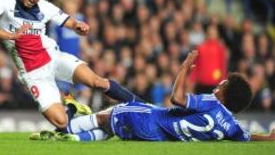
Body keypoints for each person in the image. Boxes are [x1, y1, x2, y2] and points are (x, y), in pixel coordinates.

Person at [0, 0, 144, 131]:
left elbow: (66, 20)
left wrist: (78, 25)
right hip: (34, 74)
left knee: (98, 82)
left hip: (54, 58)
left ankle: (144, 107)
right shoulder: (5, 0)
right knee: (61, 122)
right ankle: (71, 106)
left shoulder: (44, 6)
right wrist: (10, 35)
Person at [31, 51, 275, 142]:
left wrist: (184, 68)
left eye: (222, 84)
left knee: (107, 117)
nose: (217, 86)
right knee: (116, 121)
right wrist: (269, 138)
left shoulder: (211, 103)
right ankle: (75, 139)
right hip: (159, 135)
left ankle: (68, 120)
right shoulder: (231, 125)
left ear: (226, 95)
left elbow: (177, 99)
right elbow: (248, 137)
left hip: (154, 120)